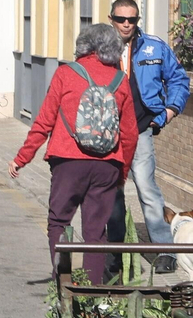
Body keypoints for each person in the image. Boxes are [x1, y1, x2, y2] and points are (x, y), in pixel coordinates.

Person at [10, 23, 139, 284]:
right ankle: (92, 291)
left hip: (68, 161)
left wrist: (22, 158)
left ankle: (63, 280)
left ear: (84, 45)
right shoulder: (120, 81)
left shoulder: (65, 74)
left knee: (59, 221)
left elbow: (44, 121)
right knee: (96, 231)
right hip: (107, 165)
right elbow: (130, 134)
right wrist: (122, 173)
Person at [104, 0, 190, 272]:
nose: (126, 24)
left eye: (132, 19)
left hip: (141, 130)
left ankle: (165, 251)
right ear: (111, 19)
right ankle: (113, 253)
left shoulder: (154, 47)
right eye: (121, 19)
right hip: (108, 133)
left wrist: (169, 111)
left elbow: (179, 79)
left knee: (146, 187)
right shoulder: (99, 48)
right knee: (111, 191)